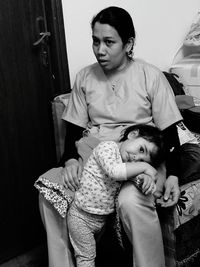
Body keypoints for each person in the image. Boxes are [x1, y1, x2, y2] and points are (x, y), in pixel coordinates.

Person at [38, 6, 199, 267]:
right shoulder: (85, 78)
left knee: (131, 200)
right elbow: (74, 130)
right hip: (95, 161)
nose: (100, 50)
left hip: (138, 159)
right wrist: (69, 160)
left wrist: (172, 174)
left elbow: (170, 134)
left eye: (109, 42)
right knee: (49, 195)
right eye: (95, 41)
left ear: (128, 44)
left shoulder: (150, 76)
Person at [67, 124, 165, 267]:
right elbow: (115, 172)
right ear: (132, 134)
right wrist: (145, 167)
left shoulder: (127, 163)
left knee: (104, 255)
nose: (135, 158)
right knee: (86, 259)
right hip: (81, 218)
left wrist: (145, 178)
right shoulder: (107, 148)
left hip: (102, 220)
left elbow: (133, 177)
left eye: (142, 160)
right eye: (141, 149)